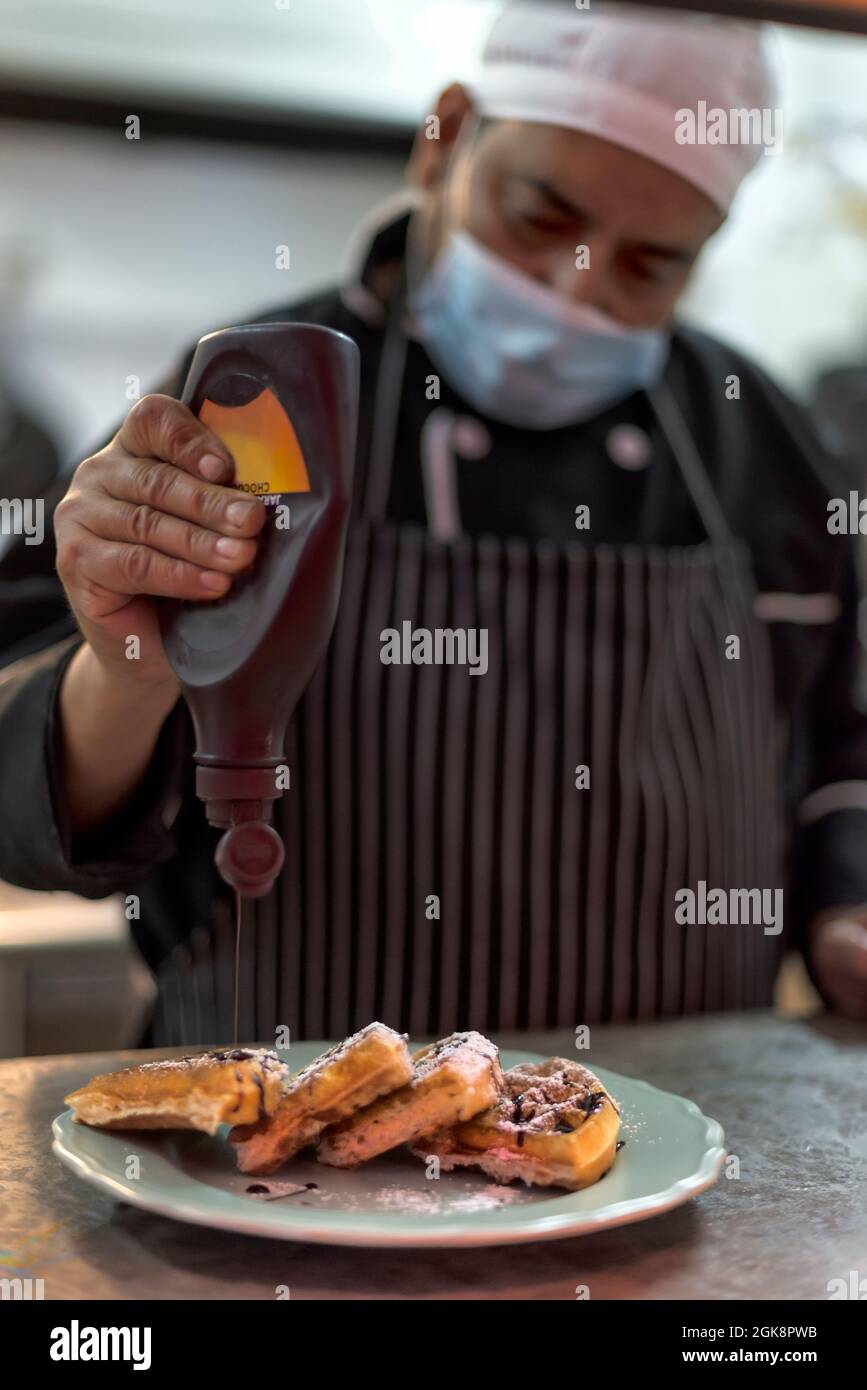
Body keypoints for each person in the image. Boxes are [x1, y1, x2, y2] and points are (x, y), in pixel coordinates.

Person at [1, 2, 866, 1044]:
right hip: (288, 1152)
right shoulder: (259, 400)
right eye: (541, 216)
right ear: (445, 136)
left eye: (649, 266)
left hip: (679, 1148)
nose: (571, 284)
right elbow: (26, 804)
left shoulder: (757, 443)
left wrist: (845, 905)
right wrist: (128, 669)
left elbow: (844, 737)